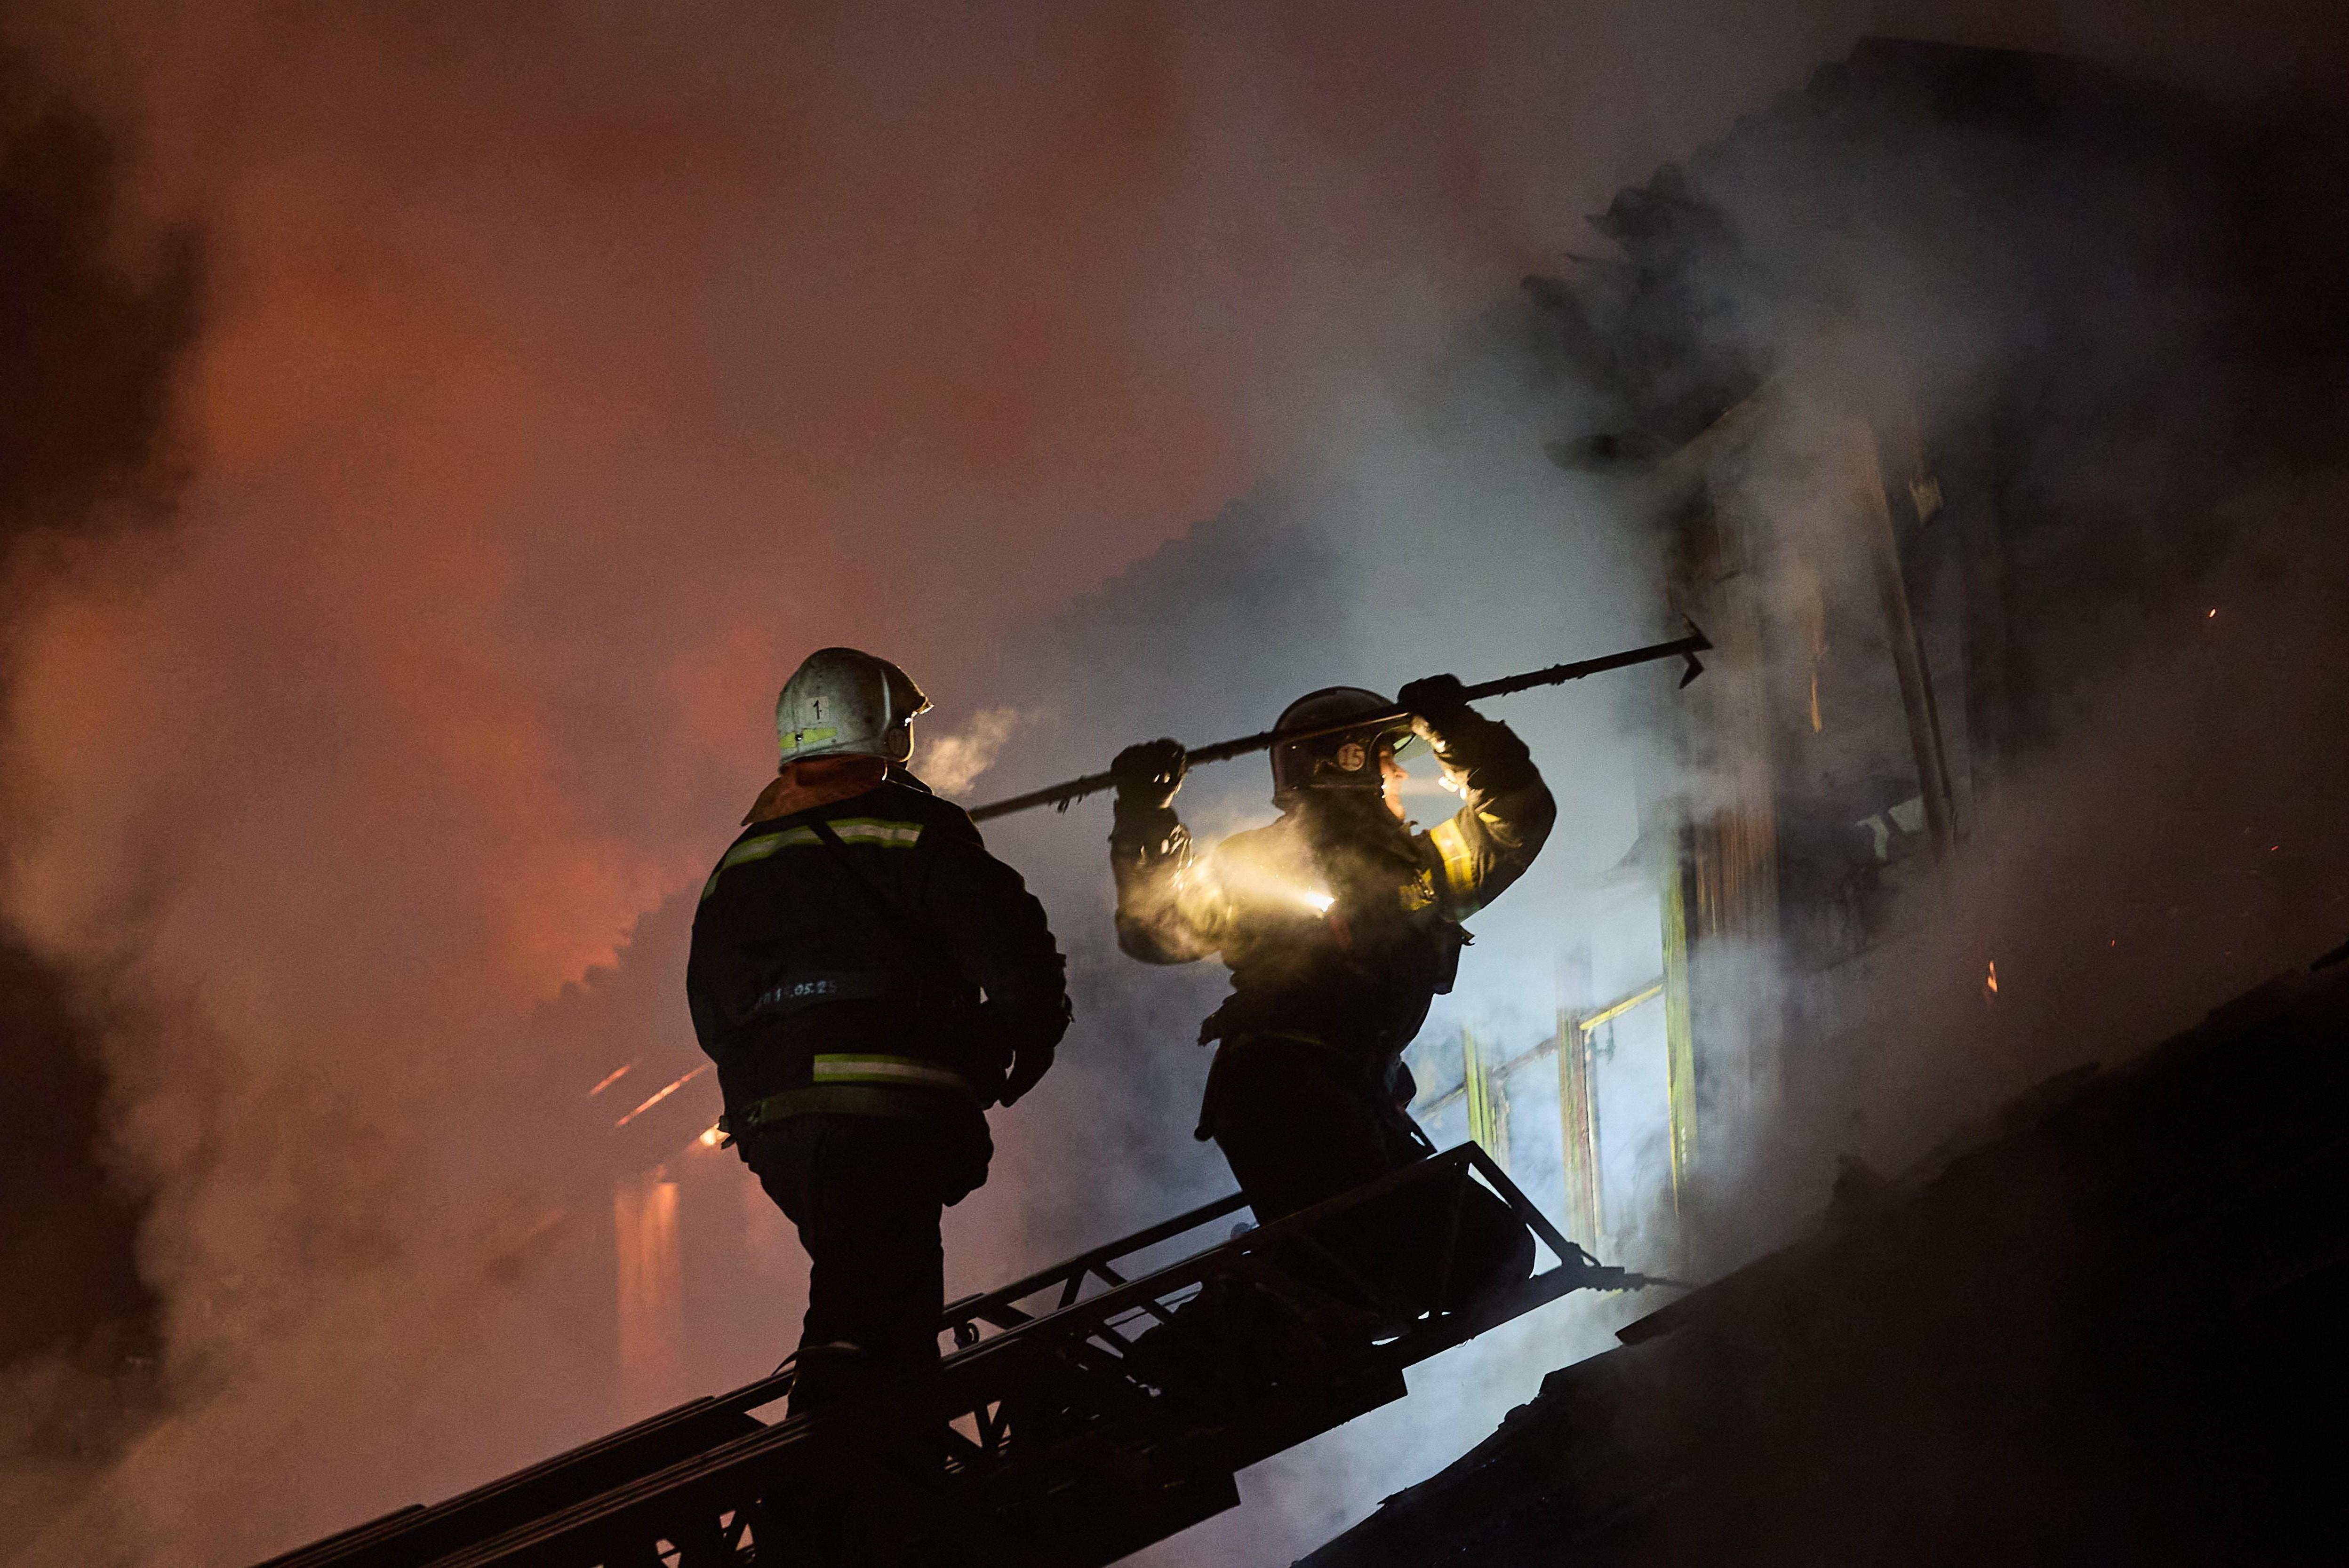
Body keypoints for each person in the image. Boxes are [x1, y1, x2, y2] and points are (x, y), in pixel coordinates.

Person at [688, 647, 1069, 1413]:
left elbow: (711, 1009)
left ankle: (861, 1429)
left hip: (779, 1123)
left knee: (860, 1273)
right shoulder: (915, 829)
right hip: (888, 1109)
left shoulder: (739, 860)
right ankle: (854, 1448)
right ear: (888, 730)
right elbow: (1012, 943)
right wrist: (1028, 1036)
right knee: (878, 1309)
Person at [1108, 674, 1553, 1318]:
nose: (1402, 774)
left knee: (1487, 1249)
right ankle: (1232, 1323)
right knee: (1379, 1269)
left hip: (1354, 1092)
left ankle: (1267, 1295)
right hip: (1283, 1087)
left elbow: (1516, 820)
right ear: (1348, 762)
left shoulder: (1421, 867)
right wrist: (1146, 820)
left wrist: (1461, 736)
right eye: (1388, 758)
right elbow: (1157, 928)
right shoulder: (1263, 860)